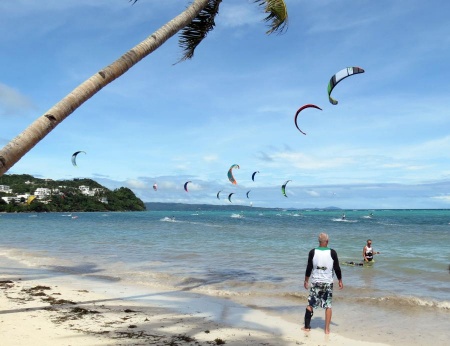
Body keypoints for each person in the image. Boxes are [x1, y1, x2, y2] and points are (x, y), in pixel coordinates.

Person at [302, 233, 343, 334]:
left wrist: (306, 280)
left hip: (316, 282)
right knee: (328, 305)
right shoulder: (332, 252)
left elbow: (309, 268)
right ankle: (327, 330)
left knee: (310, 304)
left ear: (319, 242)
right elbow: (337, 268)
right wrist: (340, 280)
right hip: (327, 283)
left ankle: (307, 327)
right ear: (327, 241)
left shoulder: (312, 252)